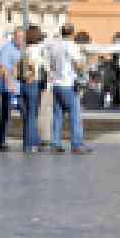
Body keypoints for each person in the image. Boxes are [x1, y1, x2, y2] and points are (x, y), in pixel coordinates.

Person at [43, 23, 90, 154]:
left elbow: (51, 65)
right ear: (72, 33)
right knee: (75, 114)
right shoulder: (71, 46)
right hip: (68, 84)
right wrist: (83, 67)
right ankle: (77, 144)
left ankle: (56, 143)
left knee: (58, 115)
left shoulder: (54, 46)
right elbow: (79, 64)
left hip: (56, 84)